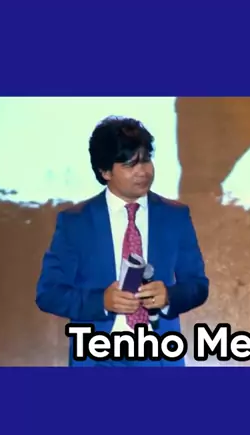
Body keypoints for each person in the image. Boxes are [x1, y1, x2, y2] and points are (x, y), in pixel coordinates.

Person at [35, 115, 209, 367]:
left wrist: (169, 296)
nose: (142, 172)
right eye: (129, 164)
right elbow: (49, 293)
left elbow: (198, 285)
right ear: (105, 171)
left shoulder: (175, 216)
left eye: (146, 160)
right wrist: (101, 302)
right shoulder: (76, 222)